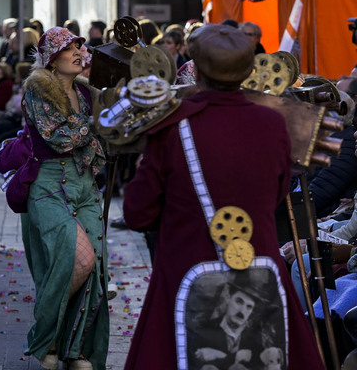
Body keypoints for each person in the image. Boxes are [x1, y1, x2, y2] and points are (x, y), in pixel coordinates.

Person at [122, 23, 323, 370]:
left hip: (185, 275)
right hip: (260, 272)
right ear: (248, 71)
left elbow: (138, 214)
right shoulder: (273, 124)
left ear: (195, 71)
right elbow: (276, 194)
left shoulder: (171, 127)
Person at [18, 27, 108, 370]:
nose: (78, 52)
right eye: (69, 48)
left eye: (79, 47)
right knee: (79, 261)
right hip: (51, 184)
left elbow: (99, 138)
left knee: (95, 266)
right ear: (53, 59)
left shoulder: (86, 94)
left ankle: (76, 347)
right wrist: (99, 120)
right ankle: (48, 335)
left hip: (85, 184)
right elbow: (60, 138)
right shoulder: (38, 89)